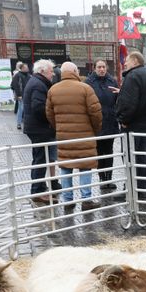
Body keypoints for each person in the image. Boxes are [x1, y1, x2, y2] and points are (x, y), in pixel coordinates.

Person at [45, 61, 102, 210]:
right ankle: (86, 199)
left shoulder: (53, 90)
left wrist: (59, 127)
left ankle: (68, 199)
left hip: (64, 136)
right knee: (85, 167)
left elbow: (49, 114)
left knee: (65, 166)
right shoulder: (85, 89)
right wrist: (94, 130)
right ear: (76, 71)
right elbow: (96, 113)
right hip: (84, 135)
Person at [116, 51, 146, 198]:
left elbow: (129, 103)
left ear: (135, 61)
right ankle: (141, 187)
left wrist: (123, 120)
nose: (125, 64)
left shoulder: (133, 76)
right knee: (141, 156)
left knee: (130, 156)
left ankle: (132, 189)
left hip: (133, 124)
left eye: (127, 61)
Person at [23, 59, 61, 205]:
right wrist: (51, 118)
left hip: (37, 128)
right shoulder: (38, 85)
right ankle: (37, 191)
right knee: (40, 160)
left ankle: (39, 187)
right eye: (51, 70)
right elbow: (39, 108)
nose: (53, 73)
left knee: (40, 158)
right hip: (39, 129)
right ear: (42, 71)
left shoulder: (36, 82)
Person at [85, 59, 121, 193]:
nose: (101, 69)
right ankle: (102, 179)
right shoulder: (89, 83)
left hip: (110, 120)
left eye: (103, 67)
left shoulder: (112, 81)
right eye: (99, 67)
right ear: (94, 68)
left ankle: (109, 178)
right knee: (100, 151)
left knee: (109, 151)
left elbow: (117, 100)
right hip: (97, 121)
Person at [11, 62, 31, 130]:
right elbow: (15, 85)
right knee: (21, 109)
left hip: (28, 95)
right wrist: (19, 95)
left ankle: (26, 123)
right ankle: (19, 123)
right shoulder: (17, 75)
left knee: (26, 110)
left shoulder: (29, 76)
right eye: (26, 67)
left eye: (27, 67)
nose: (28, 68)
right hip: (21, 95)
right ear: (22, 68)